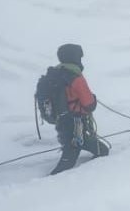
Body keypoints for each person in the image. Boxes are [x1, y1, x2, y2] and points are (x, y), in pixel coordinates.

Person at [45, 44, 110, 175]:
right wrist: (93, 98)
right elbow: (90, 105)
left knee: (100, 150)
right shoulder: (76, 77)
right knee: (69, 160)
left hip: (63, 123)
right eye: (79, 57)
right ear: (74, 57)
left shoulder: (57, 73)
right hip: (76, 126)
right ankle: (48, 184)